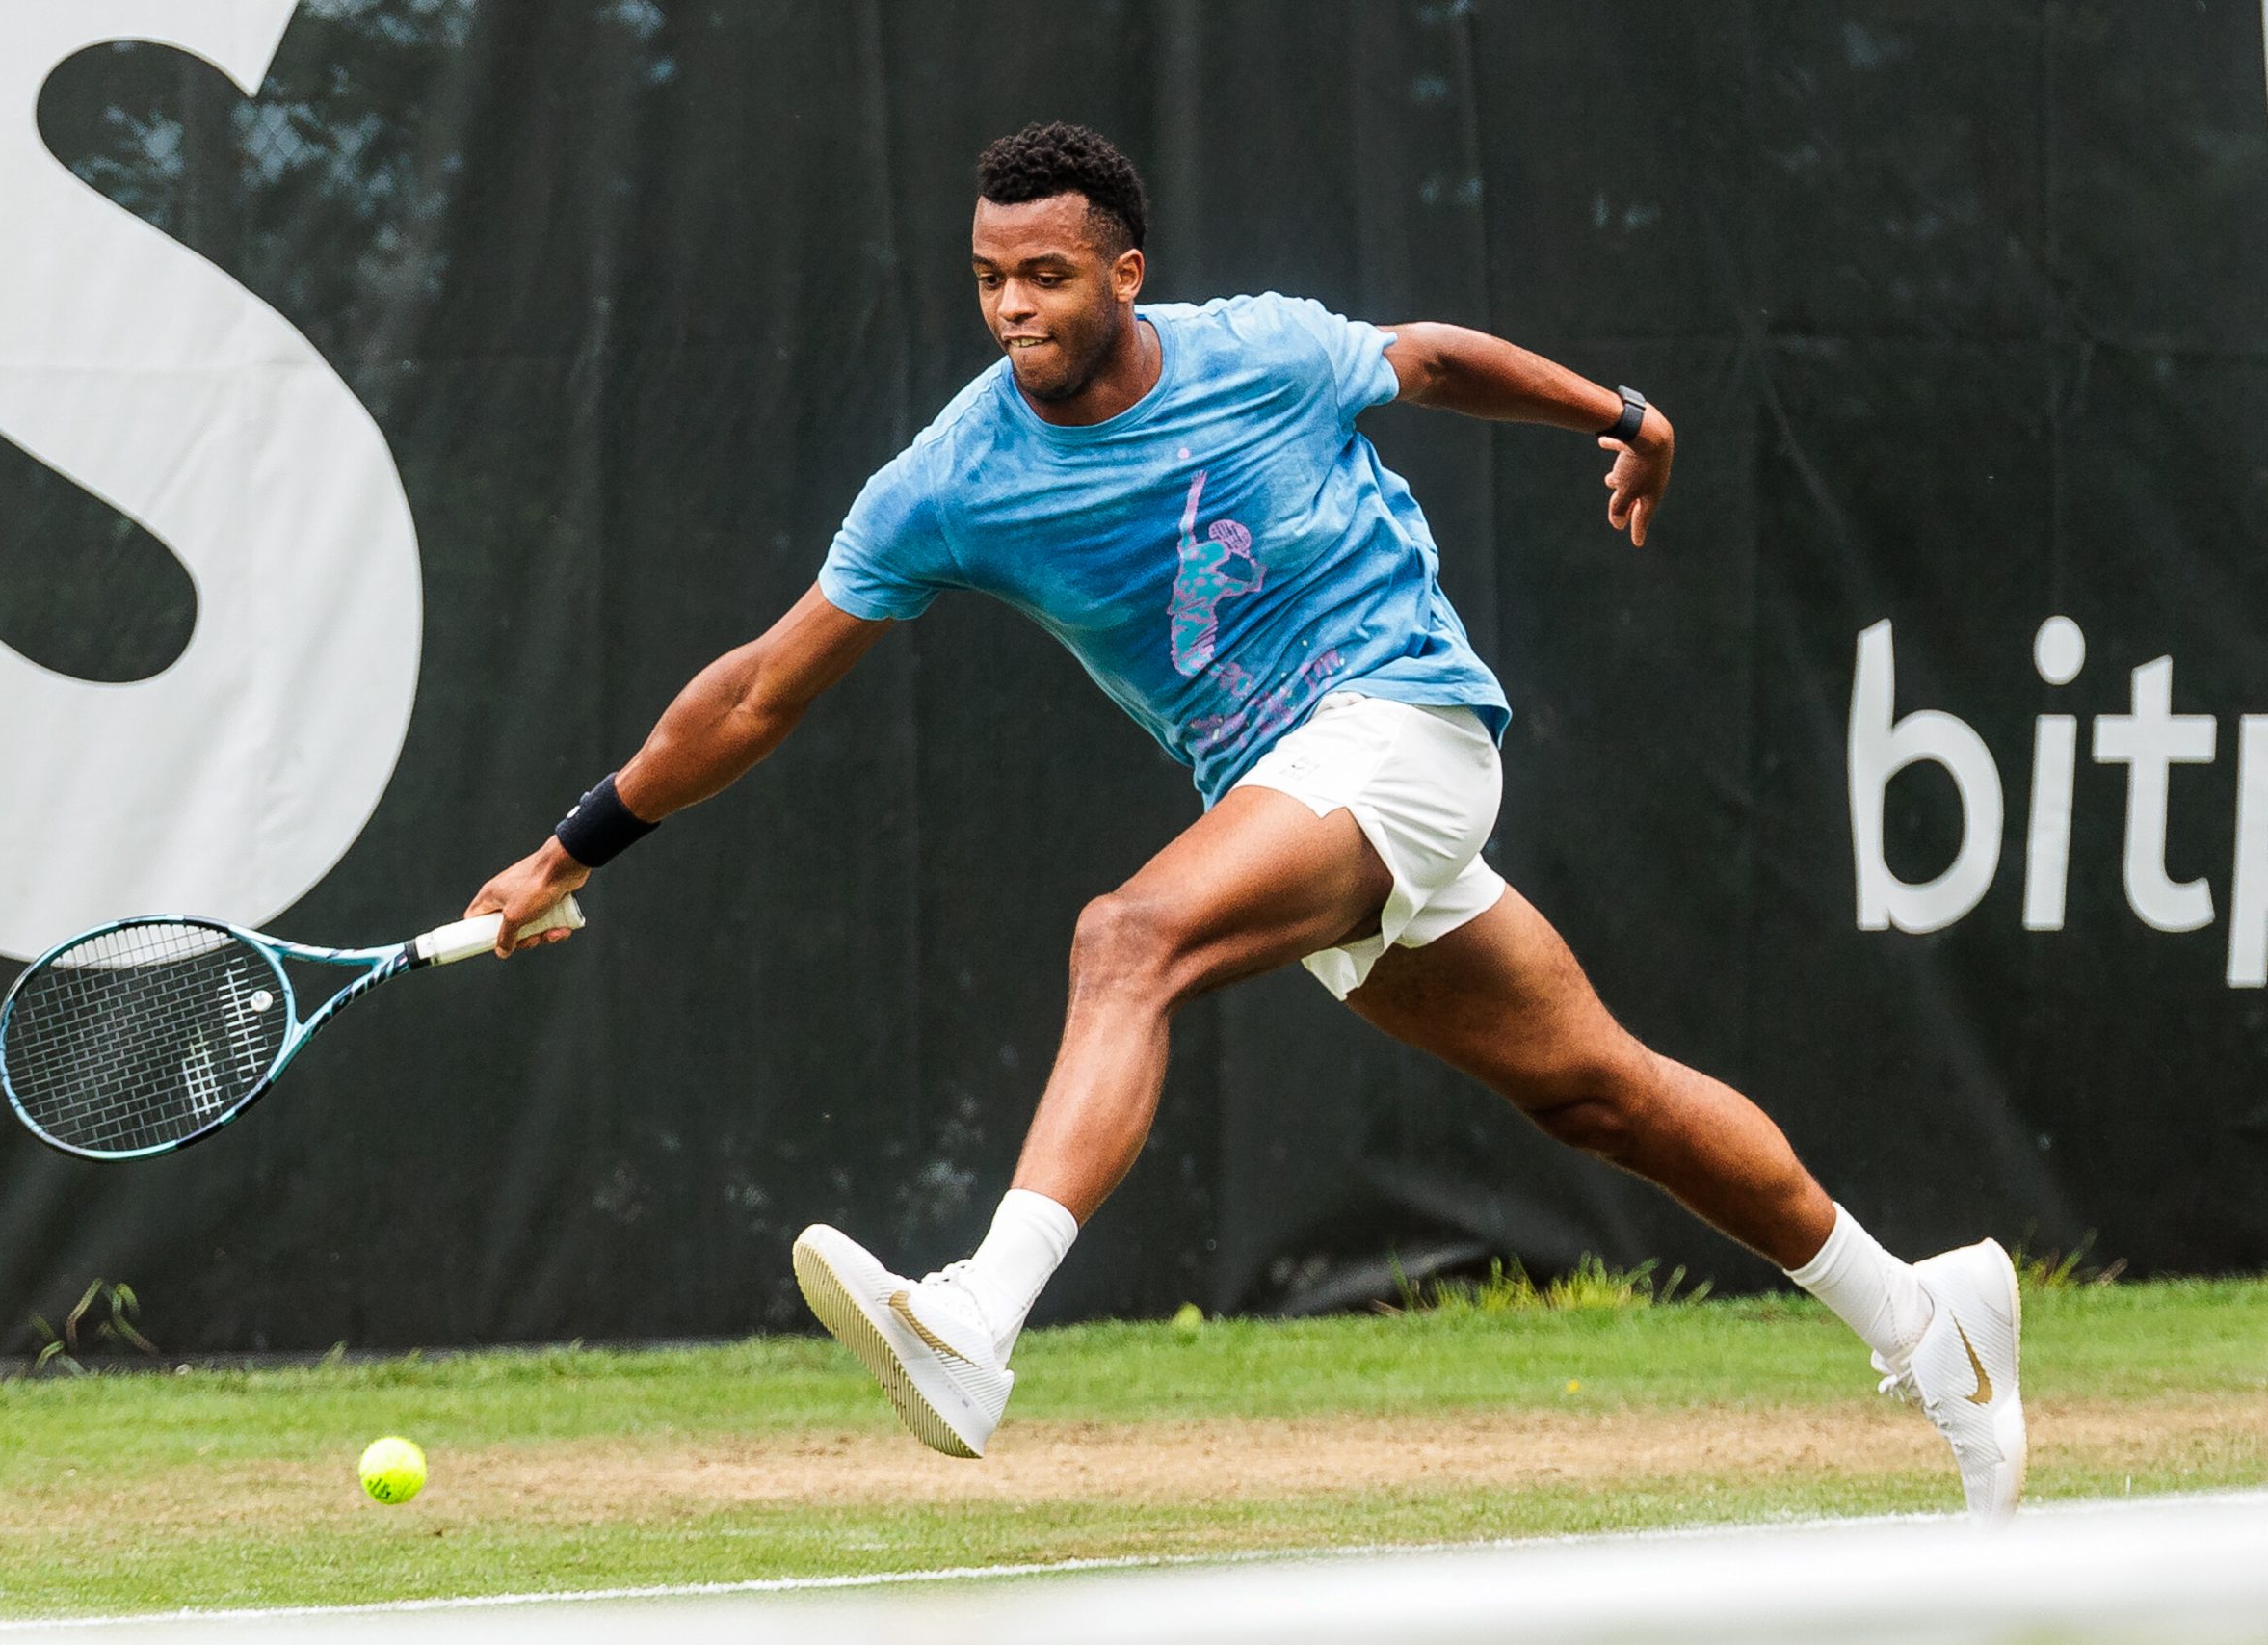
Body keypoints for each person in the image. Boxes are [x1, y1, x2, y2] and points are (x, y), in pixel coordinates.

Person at [464, 121, 2025, 1521]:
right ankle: (1926, 1318)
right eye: (991, 278)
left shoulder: (1259, 353)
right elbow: (755, 694)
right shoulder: (951, 481)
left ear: (1124, 274)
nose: (1015, 310)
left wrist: (1620, 414)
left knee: (1127, 937)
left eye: (1050, 277)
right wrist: (565, 851)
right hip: (1284, 790)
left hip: (1406, 721)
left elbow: (1423, 361)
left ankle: (977, 1326)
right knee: (1598, 1095)